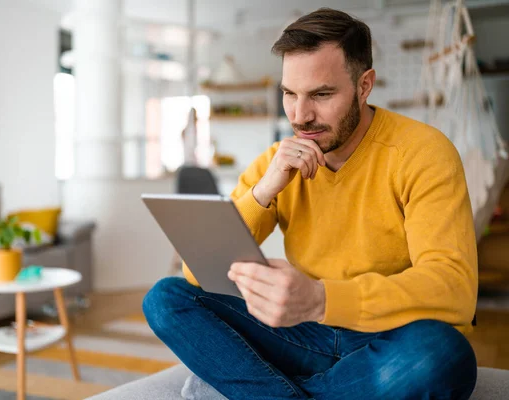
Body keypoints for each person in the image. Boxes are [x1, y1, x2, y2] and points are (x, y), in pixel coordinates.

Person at [143, 8, 478, 400]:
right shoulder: (276, 161)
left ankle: (271, 391)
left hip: (386, 335)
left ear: (365, 85)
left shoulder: (423, 153)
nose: (301, 116)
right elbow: (196, 273)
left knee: (440, 354)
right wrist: (264, 191)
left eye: (321, 94)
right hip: (301, 333)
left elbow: (453, 288)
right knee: (167, 299)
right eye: (289, 94)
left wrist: (322, 298)